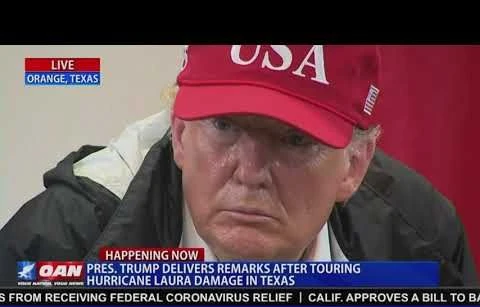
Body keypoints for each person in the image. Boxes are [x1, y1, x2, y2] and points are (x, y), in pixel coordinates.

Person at [0, 45, 477, 286]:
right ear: (180, 132)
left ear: (354, 164)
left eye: (293, 140)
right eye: (225, 126)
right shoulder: (54, 249)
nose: (249, 172)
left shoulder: (423, 245)